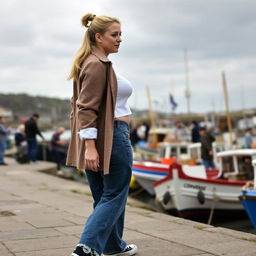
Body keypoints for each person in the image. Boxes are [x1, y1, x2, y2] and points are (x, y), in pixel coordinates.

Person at [66, 13, 137, 256]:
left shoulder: (89, 62)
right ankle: (87, 247)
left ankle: (112, 247)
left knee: (104, 197)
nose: (119, 40)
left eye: (120, 35)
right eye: (114, 35)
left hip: (99, 137)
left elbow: (79, 105)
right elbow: (86, 107)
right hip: (111, 137)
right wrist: (91, 146)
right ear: (98, 36)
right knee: (115, 194)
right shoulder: (97, 64)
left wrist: (88, 143)